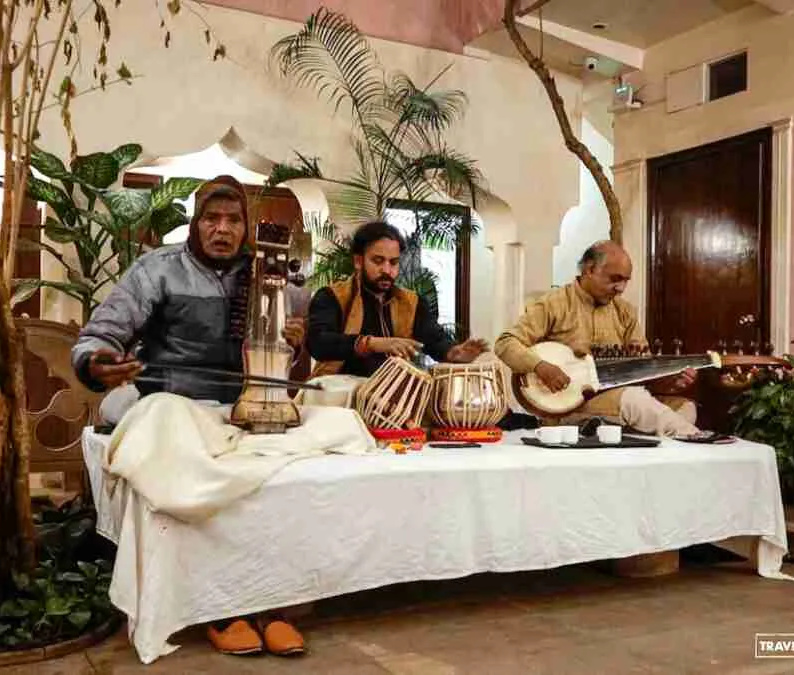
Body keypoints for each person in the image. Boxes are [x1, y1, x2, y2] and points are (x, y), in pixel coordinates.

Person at [70, 175, 308, 657]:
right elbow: (102, 333)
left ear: (246, 226)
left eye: (232, 220)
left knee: (314, 454)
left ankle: (273, 601)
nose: (221, 229)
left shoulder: (272, 273)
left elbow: (296, 365)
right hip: (175, 405)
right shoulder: (157, 270)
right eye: (211, 218)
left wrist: (296, 343)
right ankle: (221, 606)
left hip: (247, 409)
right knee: (191, 472)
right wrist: (97, 360)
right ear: (195, 223)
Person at [493, 240, 701, 437]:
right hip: (570, 405)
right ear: (589, 270)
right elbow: (505, 342)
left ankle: (623, 439)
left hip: (617, 399)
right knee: (636, 402)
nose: (621, 288)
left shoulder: (625, 312)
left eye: (625, 281)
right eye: (615, 279)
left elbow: (642, 372)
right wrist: (541, 366)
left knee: (685, 408)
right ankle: (702, 443)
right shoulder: (553, 304)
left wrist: (668, 382)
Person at [306, 220, 488, 377]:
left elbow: (435, 340)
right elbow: (318, 343)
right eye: (378, 261)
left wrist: (453, 353)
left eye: (393, 262)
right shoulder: (332, 297)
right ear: (358, 262)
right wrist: (372, 344)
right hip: (340, 399)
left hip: (394, 399)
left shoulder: (412, 302)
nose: (387, 270)